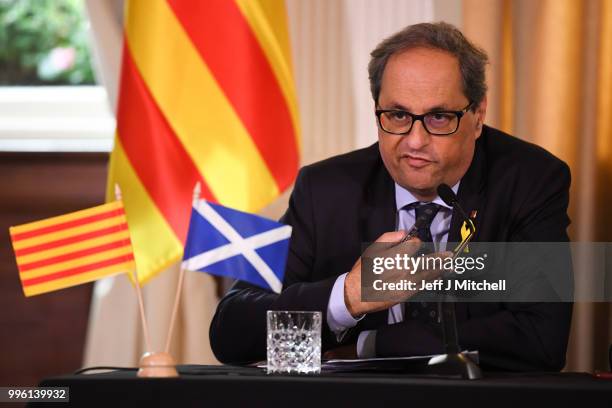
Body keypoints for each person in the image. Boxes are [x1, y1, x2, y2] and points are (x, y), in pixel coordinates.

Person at [209, 22, 572, 371]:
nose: (415, 141)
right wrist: (349, 296)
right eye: (398, 115)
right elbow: (232, 329)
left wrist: (373, 344)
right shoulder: (325, 191)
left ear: (478, 115)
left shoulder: (531, 181)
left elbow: (541, 338)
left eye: (440, 118)